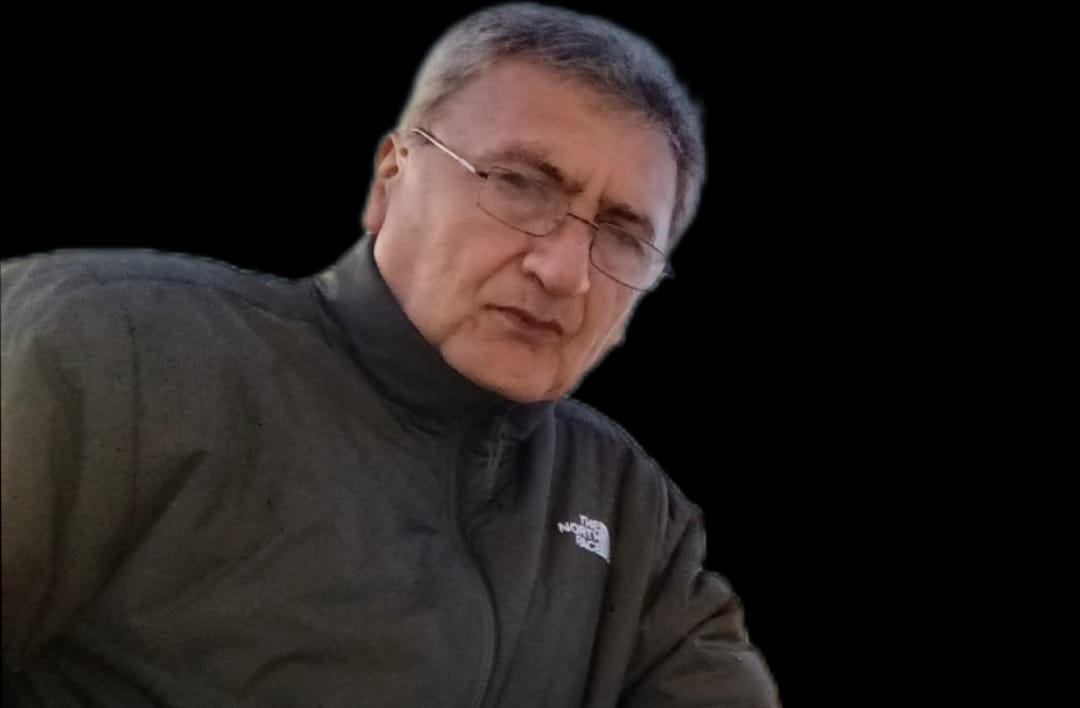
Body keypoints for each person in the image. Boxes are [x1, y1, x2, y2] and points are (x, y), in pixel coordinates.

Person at [1, 3, 780, 706]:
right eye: (519, 184)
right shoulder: (112, 352)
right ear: (390, 179)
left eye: (621, 235)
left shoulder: (632, 513)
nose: (565, 271)